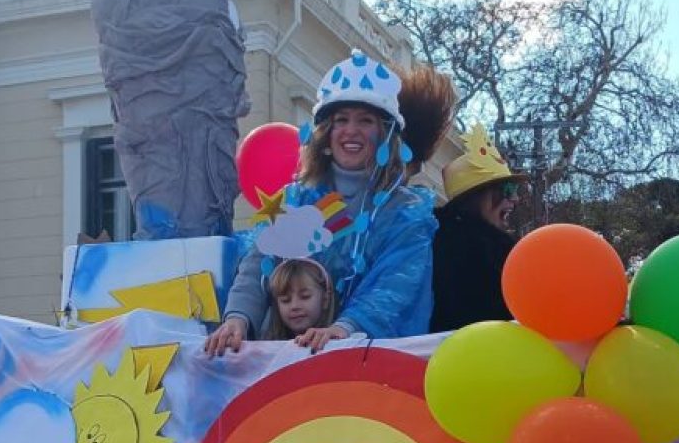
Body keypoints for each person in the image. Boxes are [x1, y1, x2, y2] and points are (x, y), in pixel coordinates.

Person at [205, 50, 453, 357]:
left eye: (365, 120)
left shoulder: (403, 212)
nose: (351, 130)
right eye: (341, 120)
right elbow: (258, 265)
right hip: (285, 361)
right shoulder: (296, 199)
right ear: (327, 132)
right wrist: (238, 320)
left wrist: (344, 329)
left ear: (384, 134)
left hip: (362, 368)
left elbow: (396, 285)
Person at [428, 125, 527, 333]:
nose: (515, 199)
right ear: (476, 198)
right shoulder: (486, 256)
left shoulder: (434, 241)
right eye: (506, 190)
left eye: (515, 190)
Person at [263, 258, 339, 344]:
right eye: (286, 300)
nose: (294, 306)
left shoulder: (344, 343)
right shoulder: (266, 349)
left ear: (325, 299)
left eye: (305, 297)